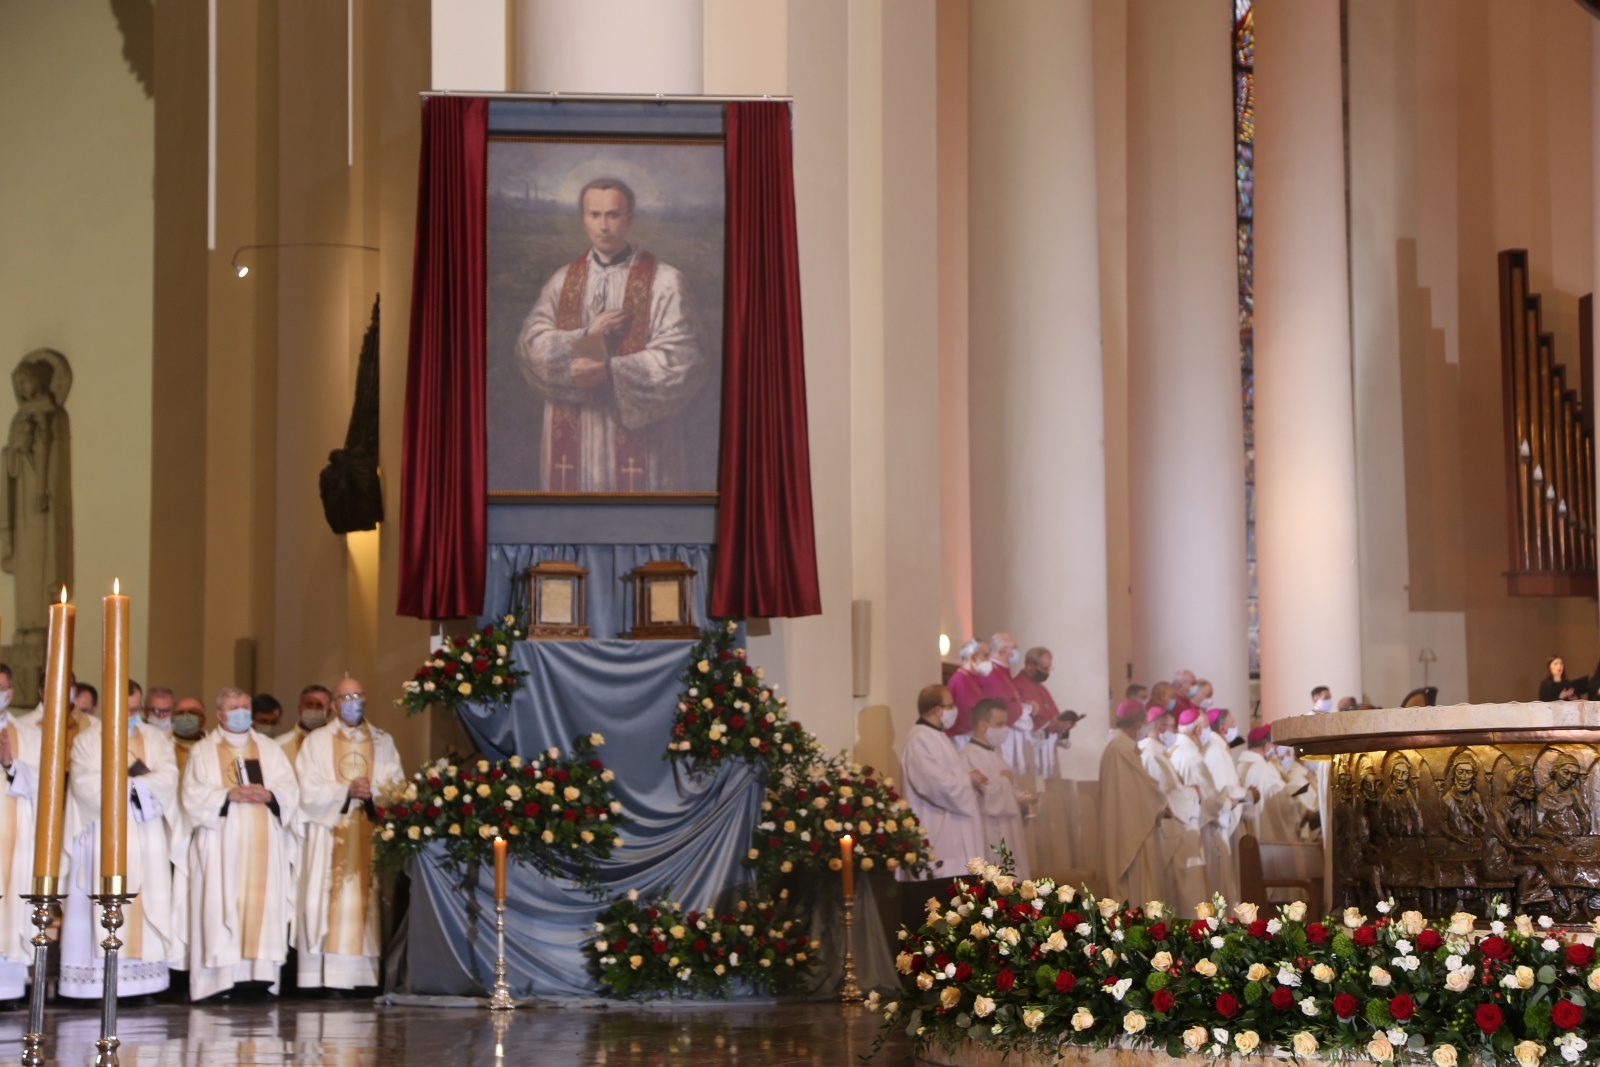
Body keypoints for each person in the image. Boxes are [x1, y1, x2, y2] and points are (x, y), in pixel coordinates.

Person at [516, 177, 710, 493]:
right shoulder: (561, 281)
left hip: (645, 441)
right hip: (573, 436)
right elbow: (530, 348)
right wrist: (588, 335)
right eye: (595, 215)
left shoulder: (666, 282)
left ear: (629, 218)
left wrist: (609, 372)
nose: (604, 226)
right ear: (583, 218)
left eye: (613, 215)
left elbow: (683, 358)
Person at [181, 687, 300, 1001]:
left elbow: (291, 789)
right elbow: (191, 796)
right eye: (234, 708)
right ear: (220, 715)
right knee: (221, 903)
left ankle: (258, 980)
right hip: (221, 843)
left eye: (245, 707)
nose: (242, 713)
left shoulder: (270, 749)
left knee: (263, 908)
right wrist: (226, 795)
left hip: (265, 845)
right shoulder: (203, 751)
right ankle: (218, 983)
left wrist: (271, 795)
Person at [59, 691, 179, 1001]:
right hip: (101, 831)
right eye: (125, 709)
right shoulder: (89, 739)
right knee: (96, 900)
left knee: (144, 899)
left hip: (144, 828)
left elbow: (168, 777)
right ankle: (93, 985)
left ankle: (142, 986)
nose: (131, 715)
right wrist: (136, 783)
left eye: (135, 709)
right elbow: (85, 785)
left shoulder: (154, 739)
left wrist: (130, 785)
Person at [292, 677, 403, 992]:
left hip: (368, 827)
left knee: (366, 903)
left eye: (359, 694)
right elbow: (307, 789)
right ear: (334, 705)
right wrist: (345, 790)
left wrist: (372, 793)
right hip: (329, 833)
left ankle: (363, 978)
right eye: (347, 696)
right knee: (326, 898)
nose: (355, 701)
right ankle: (323, 978)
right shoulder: (316, 742)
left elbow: (397, 784)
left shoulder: (382, 741)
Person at [897, 685, 987, 930]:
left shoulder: (936, 737)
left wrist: (968, 778)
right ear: (938, 710)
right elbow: (934, 784)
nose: (954, 711)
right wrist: (967, 779)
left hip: (955, 841)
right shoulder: (919, 740)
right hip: (940, 841)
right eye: (950, 706)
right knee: (938, 921)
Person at [1139, 705, 1212, 912]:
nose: (1175, 734)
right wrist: (1193, 791)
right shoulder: (1151, 755)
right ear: (1160, 727)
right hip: (1174, 830)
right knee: (1184, 895)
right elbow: (1164, 797)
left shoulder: (1158, 753)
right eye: (1172, 728)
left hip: (1179, 829)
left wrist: (1187, 790)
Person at [1097, 699, 1167, 906]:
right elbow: (1143, 791)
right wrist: (1162, 804)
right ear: (1138, 723)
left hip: (1127, 824)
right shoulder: (1121, 750)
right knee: (1135, 885)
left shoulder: (1119, 748)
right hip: (1130, 829)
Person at [1166, 707, 1239, 902]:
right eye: (1207, 727)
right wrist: (1228, 803)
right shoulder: (1192, 757)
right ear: (1198, 730)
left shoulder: (1175, 751)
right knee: (1205, 890)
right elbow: (1209, 799)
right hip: (1199, 828)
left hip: (1181, 829)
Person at [0, 665, 42, 1003]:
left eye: (4, 687)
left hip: (16, 831)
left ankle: (8, 988)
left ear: (12, 692)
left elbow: (44, 781)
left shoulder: (27, 731)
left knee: (12, 907)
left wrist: (11, 763)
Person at [959, 699, 1030, 880]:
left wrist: (1019, 796)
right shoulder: (968, 756)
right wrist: (1005, 780)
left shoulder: (995, 752)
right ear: (982, 725)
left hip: (1008, 829)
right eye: (1000, 724)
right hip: (990, 830)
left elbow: (1007, 787)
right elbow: (982, 796)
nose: (1005, 729)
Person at [277, 684, 332, 764]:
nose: (313, 709)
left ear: (329, 712)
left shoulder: (338, 743)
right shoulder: (281, 744)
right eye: (309, 705)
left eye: (319, 706)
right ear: (300, 709)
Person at [944, 640, 987, 742]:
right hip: (962, 737)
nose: (989, 660)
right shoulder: (959, 679)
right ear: (972, 657)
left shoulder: (977, 677)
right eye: (985, 655)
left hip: (975, 734)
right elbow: (966, 711)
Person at [171, 697, 206, 778]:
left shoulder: (212, 748)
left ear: (203, 720)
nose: (185, 716)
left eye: (192, 712)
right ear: (171, 719)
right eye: (180, 713)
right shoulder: (161, 746)